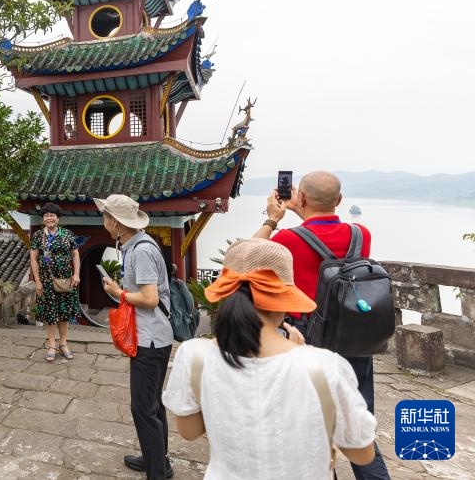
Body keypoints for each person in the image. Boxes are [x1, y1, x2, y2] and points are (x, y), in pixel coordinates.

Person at [161, 238, 377, 479]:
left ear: (227, 295)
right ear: (282, 300)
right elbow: (362, 454)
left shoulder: (193, 356)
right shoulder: (324, 367)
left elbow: (190, 431)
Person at [254, 170, 391, 480]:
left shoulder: (288, 239)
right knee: (358, 427)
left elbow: (247, 257)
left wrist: (274, 218)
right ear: (339, 201)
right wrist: (304, 206)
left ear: (300, 197)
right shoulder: (361, 234)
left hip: (308, 341)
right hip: (355, 340)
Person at [97, 194, 174, 480]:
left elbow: (150, 298)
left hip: (150, 339)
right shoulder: (137, 244)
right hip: (153, 336)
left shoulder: (140, 251)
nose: (103, 221)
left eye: (106, 216)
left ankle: (157, 472)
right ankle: (158, 460)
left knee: (143, 407)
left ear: (116, 223)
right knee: (152, 404)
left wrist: (119, 294)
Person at [28, 202, 81, 361]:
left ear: (58, 218)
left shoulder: (67, 234)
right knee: (49, 313)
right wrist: (37, 281)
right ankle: (51, 344)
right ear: (43, 218)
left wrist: (76, 274)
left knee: (64, 313)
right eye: (46, 215)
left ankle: (63, 344)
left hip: (65, 279)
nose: (49, 218)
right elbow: (34, 259)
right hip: (45, 281)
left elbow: (75, 254)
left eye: (52, 215)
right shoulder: (38, 236)